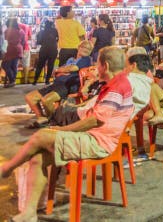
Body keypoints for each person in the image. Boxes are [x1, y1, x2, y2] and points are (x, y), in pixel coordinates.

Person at [1, 47, 133, 222]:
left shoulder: (117, 87)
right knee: (39, 157)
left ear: (105, 66)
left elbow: (95, 121)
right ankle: (29, 213)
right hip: (93, 135)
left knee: (43, 136)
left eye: (98, 64)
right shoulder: (117, 82)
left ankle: (6, 169)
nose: (95, 67)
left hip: (98, 141)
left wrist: (60, 131)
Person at [25, 41, 94, 118]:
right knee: (30, 97)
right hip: (57, 84)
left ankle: (52, 119)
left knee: (46, 100)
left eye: (89, 49)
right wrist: (61, 70)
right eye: (84, 47)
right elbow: (61, 70)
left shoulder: (86, 59)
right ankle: (42, 118)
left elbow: (72, 68)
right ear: (78, 47)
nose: (86, 50)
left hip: (67, 86)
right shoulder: (71, 59)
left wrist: (59, 70)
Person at [33, 19, 59, 85]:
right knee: (50, 65)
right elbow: (58, 39)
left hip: (44, 49)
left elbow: (38, 42)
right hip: (53, 49)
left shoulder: (41, 32)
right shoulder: (55, 31)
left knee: (40, 65)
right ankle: (47, 81)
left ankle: (35, 81)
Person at [2, 19, 25, 87]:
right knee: (14, 66)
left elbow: (5, 40)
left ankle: (12, 80)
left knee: (4, 65)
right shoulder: (21, 31)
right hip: (18, 50)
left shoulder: (7, 31)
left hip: (10, 49)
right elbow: (23, 41)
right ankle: (13, 81)